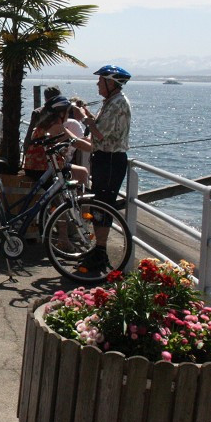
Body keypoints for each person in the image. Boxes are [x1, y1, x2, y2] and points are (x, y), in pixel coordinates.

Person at [78, 64, 133, 274]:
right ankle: (99, 249)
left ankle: (100, 252)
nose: (98, 84)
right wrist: (87, 114)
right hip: (104, 158)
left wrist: (83, 117)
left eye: (101, 81)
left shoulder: (117, 103)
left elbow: (99, 133)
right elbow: (100, 129)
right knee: (100, 204)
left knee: (104, 204)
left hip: (110, 159)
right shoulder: (111, 102)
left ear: (111, 83)